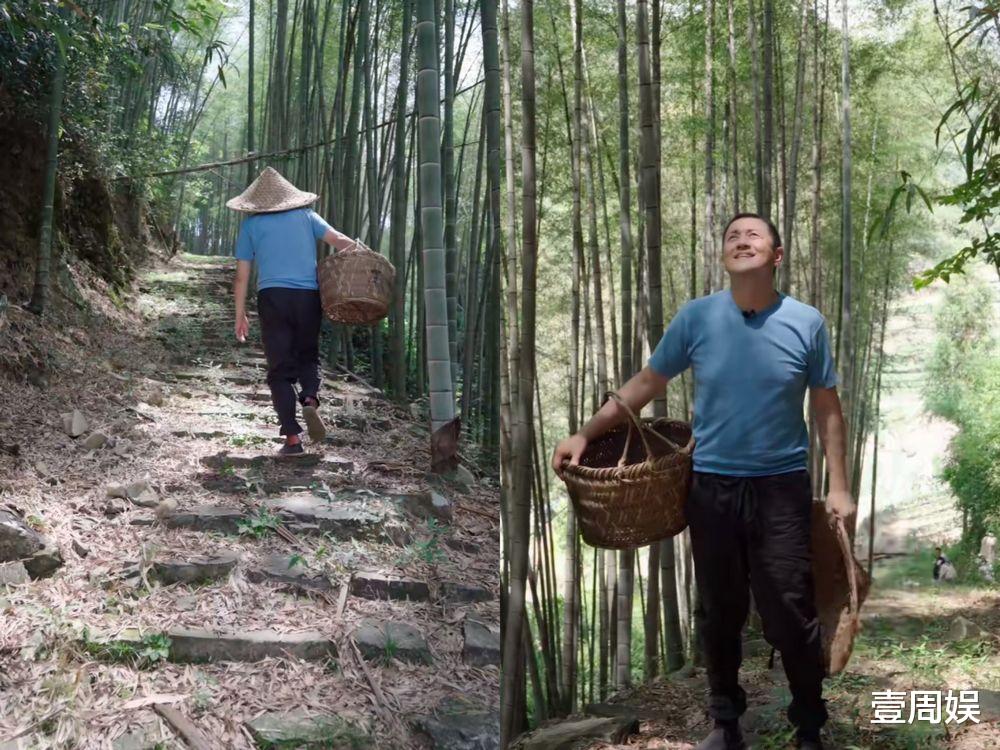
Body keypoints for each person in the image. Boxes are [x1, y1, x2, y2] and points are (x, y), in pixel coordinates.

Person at [552, 213, 855, 750]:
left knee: (789, 610)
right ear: (724, 255)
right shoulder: (697, 318)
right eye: (732, 236)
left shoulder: (807, 322)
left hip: (781, 486)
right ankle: (726, 723)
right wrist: (584, 432)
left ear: (777, 257)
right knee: (719, 609)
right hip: (711, 485)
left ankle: (809, 724)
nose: (742, 241)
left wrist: (839, 486)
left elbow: (827, 408)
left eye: (754, 235)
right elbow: (646, 383)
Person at [227, 166, 355, 456]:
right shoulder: (307, 216)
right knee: (308, 355)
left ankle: (293, 440)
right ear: (289, 197)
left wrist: (240, 314)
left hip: (272, 298)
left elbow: (242, 276)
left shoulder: (251, 226)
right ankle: (309, 399)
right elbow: (340, 242)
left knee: (280, 370)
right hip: (308, 296)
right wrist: (365, 255)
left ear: (256, 202)